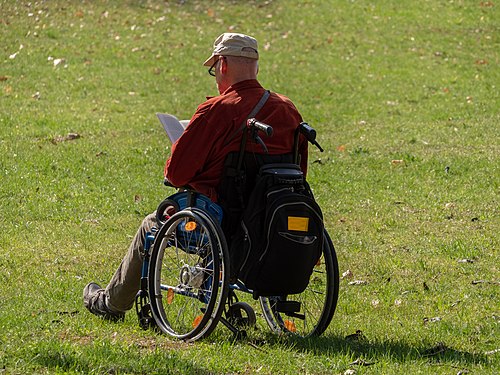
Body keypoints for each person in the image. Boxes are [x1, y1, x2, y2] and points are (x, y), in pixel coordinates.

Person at [83, 32, 308, 320]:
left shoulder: (217, 110)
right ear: (256, 67)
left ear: (223, 65)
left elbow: (176, 174)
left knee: (150, 225)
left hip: (219, 220)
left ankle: (111, 304)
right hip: (268, 220)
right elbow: (298, 173)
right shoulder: (288, 110)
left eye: (215, 69)